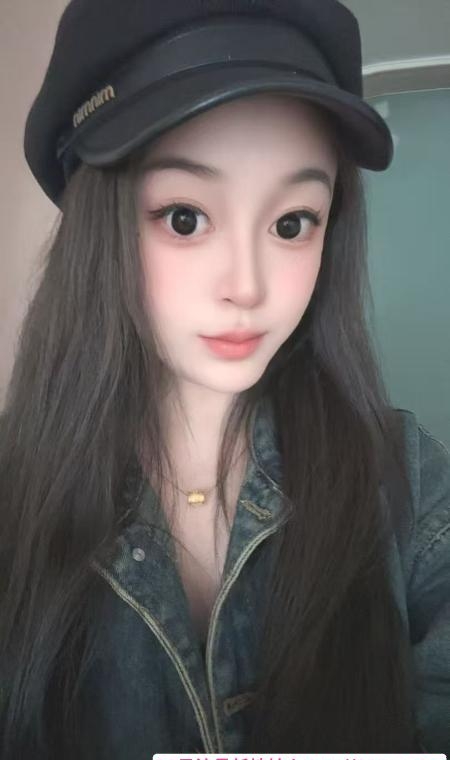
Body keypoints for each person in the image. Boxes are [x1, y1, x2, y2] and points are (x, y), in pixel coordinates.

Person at [0, 0, 449, 757]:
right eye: (185, 218)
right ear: (101, 231)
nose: (248, 284)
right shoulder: (15, 495)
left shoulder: (403, 475)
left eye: (292, 223)